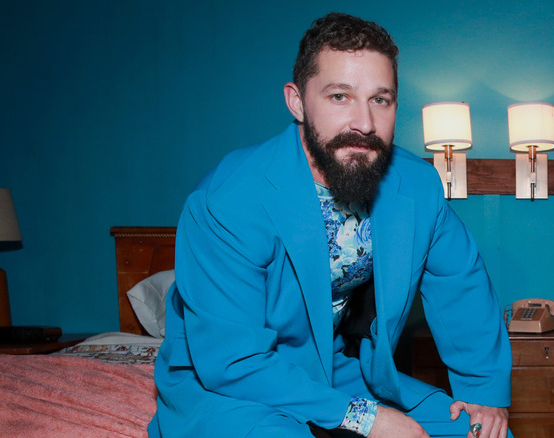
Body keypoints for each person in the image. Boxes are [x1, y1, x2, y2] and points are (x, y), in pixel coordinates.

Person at [149, 12, 513, 438]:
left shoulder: (416, 186)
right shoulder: (228, 201)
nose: (364, 123)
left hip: (328, 368)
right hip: (225, 384)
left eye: (381, 99)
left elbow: (460, 284)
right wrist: (368, 418)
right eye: (340, 97)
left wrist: (485, 393)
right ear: (297, 101)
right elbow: (232, 361)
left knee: (480, 433)